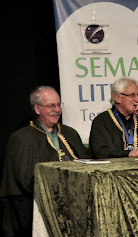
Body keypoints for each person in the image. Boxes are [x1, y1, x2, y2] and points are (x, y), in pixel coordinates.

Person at [0, 86, 89, 237]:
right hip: (34, 207)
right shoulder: (22, 138)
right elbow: (25, 179)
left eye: (59, 104)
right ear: (37, 109)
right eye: (51, 106)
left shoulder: (70, 133)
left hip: (73, 202)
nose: (57, 109)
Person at [89, 77, 138, 158]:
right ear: (117, 98)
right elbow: (101, 152)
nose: (137, 100)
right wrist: (129, 153)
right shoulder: (101, 121)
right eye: (132, 95)